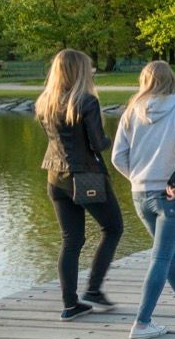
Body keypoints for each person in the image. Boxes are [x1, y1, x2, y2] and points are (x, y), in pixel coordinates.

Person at [111, 60, 175, 339]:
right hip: (171, 196)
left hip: (140, 196)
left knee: (167, 249)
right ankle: (142, 322)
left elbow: (118, 156)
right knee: (162, 254)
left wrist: (137, 178)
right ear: (172, 80)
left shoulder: (131, 113)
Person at [35, 48, 124, 321]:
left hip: (54, 176)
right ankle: (94, 289)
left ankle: (70, 304)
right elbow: (98, 144)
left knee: (71, 240)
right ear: (79, 71)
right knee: (113, 228)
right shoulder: (86, 102)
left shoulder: (45, 103)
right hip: (84, 175)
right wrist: (111, 139)